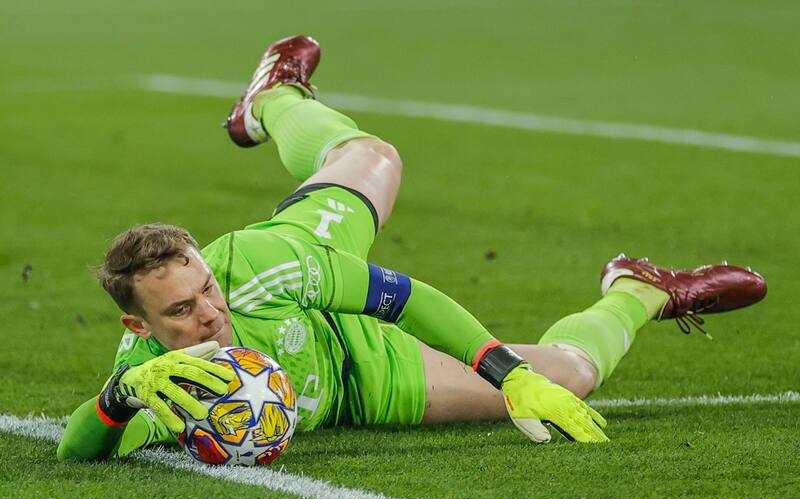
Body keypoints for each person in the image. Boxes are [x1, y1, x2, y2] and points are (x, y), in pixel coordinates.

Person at [57, 36, 767, 461]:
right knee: (573, 376)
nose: (211, 313)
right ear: (138, 327)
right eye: (181, 310)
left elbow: (403, 298)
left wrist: (506, 372)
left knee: (374, 155)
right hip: (361, 374)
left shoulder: (261, 271)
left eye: (207, 288)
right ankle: (640, 289)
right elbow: (80, 446)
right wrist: (118, 400)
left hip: (309, 274)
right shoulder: (153, 371)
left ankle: (270, 99)